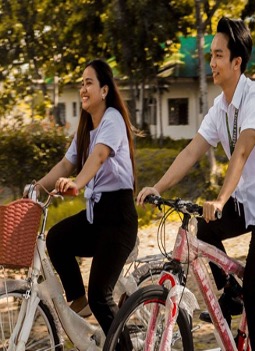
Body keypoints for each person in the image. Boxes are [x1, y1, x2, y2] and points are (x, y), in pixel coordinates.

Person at [137, 17, 255, 350]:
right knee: (205, 229)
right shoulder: (219, 107)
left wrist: (221, 199)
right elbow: (192, 150)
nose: (211, 62)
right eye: (211, 55)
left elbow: (241, 153)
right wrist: (158, 187)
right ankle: (230, 293)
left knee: (254, 290)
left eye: (219, 55)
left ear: (237, 62)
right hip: (244, 200)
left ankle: (243, 298)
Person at [27, 59, 138, 336]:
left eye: (89, 83)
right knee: (57, 238)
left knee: (101, 296)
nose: (83, 89)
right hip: (97, 218)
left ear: (104, 90)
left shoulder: (112, 119)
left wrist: (78, 183)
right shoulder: (85, 130)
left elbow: (100, 156)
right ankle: (78, 300)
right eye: (81, 84)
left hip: (118, 220)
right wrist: (37, 187)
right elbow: (65, 164)